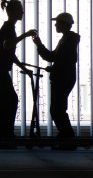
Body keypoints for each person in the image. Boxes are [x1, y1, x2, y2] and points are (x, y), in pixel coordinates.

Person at [0, 0, 36, 139]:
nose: (22, 11)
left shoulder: (10, 27)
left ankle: (2, 133)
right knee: (8, 100)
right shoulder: (8, 27)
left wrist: (23, 68)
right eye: (20, 9)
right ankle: (4, 134)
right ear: (12, 12)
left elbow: (10, 53)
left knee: (5, 101)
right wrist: (25, 35)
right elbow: (7, 46)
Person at [32, 12, 80, 144]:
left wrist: (40, 46)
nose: (55, 24)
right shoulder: (66, 39)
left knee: (57, 109)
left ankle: (67, 138)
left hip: (63, 78)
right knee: (58, 109)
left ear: (64, 24)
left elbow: (61, 59)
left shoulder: (68, 40)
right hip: (63, 77)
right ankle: (65, 136)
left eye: (57, 22)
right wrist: (40, 45)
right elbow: (57, 58)